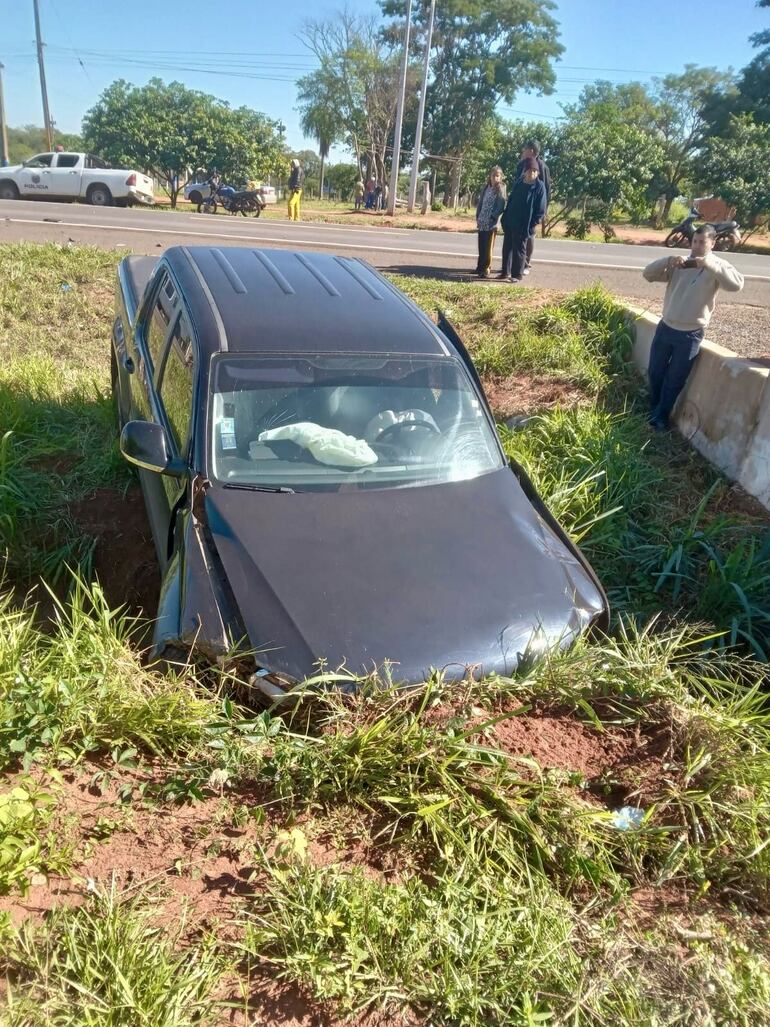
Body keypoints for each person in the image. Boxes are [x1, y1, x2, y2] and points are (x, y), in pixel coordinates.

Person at [642, 225, 744, 430]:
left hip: (690, 334)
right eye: (695, 241)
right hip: (666, 327)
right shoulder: (681, 264)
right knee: (655, 372)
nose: (696, 246)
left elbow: (736, 285)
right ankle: (653, 409)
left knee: (675, 380)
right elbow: (648, 274)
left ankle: (660, 417)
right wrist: (669, 261)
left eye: (702, 242)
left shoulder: (718, 266)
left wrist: (709, 266)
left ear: (712, 243)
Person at [498, 158, 546, 283]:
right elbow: (512, 199)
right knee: (507, 248)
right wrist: (505, 217)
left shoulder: (539, 187)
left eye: (535, 171)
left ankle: (516, 275)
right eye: (530, 170)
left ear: (538, 173)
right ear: (525, 171)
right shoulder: (519, 182)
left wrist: (533, 224)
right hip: (511, 220)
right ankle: (505, 272)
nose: (532, 173)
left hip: (524, 223)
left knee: (519, 249)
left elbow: (540, 210)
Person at [515, 140, 551, 274]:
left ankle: (526, 263)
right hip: (519, 207)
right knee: (517, 234)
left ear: (531, 151)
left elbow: (546, 190)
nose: (522, 151)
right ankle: (517, 263)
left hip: (533, 209)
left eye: (525, 148)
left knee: (529, 234)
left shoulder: (542, 166)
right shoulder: (521, 165)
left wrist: (542, 211)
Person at [474, 165, 506, 278]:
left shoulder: (501, 188)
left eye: (498, 176)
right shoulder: (486, 187)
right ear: (490, 176)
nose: (496, 178)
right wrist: (478, 216)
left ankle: (486, 268)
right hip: (482, 221)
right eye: (494, 175)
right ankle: (480, 266)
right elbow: (481, 203)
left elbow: (501, 205)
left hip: (491, 223)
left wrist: (493, 216)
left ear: (501, 177)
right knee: (481, 245)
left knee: (488, 248)